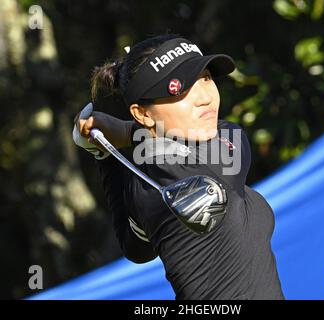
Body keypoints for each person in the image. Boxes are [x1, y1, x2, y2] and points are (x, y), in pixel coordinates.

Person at [73, 33, 284, 300]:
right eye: (179, 88)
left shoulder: (143, 178)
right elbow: (232, 134)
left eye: (205, 78)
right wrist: (124, 134)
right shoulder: (203, 158)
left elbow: (137, 249)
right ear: (143, 114)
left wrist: (103, 152)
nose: (204, 98)